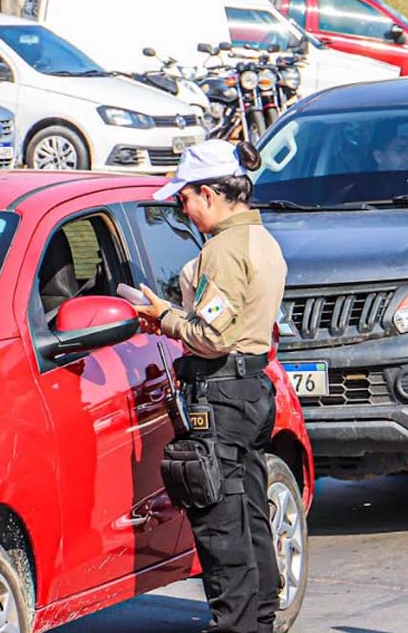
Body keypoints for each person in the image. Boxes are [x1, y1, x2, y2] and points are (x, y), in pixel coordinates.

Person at [134, 139, 286, 633]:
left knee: (220, 523)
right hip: (250, 390)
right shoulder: (263, 240)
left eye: (185, 198)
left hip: (220, 393)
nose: (183, 208)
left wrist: (165, 317)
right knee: (248, 512)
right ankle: (259, 620)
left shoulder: (223, 251)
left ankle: (237, 624)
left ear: (209, 194)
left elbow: (211, 335)